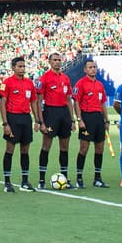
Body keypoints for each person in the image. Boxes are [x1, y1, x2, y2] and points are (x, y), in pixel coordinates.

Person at [35, 52, 73, 190]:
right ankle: (41, 180)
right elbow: (38, 102)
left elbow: (69, 100)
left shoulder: (65, 78)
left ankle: (65, 177)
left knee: (64, 148)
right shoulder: (44, 78)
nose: (57, 62)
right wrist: (41, 121)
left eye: (59, 60)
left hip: (64, 114)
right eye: (55, 60)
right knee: (46, 147)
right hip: (50, 113)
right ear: (49, 62)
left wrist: (72, 119)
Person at [1, 56, 38, 193]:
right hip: (12, 118)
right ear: (13, 68)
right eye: (19, 66)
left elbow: (33, 102)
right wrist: (5, 123)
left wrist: (37, 120)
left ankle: (24, 181)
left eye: (23, 66)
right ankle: (7, 182)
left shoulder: (29, 83)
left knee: (25, 150)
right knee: (10, 150)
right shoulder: (7, 83)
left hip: (26, 119)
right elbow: (2, 103)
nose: (22, 69)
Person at [71, 58, 109, 189]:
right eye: (90, 67)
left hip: (98, 118)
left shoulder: (99, 85)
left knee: (100, 148)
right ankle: (79, 178)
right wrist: (79, 119)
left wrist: (106, 120)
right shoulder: (80, 84)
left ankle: (97, 178)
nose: (93, 69)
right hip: (86, 118)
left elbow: (103, 102)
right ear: (85, 70)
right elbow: (76, 102)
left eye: (94, 67)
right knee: (84, 148)